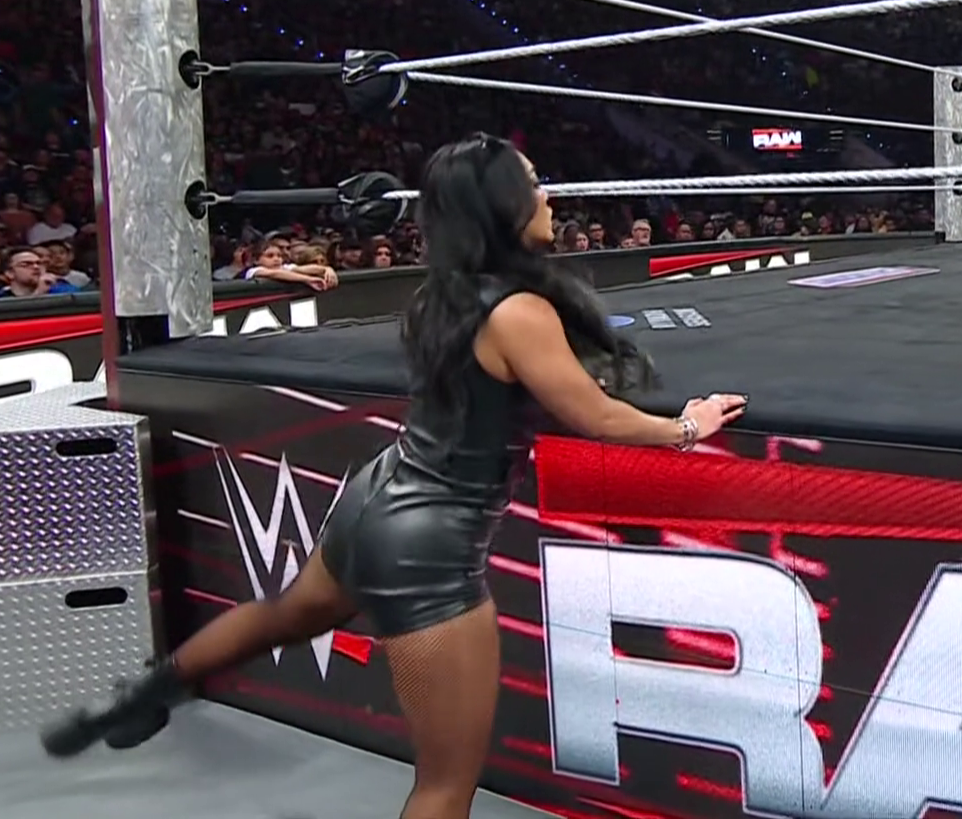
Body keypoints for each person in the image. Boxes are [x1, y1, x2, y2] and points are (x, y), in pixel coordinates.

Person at [40, 133, 747, 819]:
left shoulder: (439, 295)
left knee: (288, 615)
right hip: (430, 544)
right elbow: (598, 417)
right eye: (533, 185)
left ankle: (149, 691)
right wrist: (688, 425)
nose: (548, 196)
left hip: (375, 499)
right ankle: (152, 692)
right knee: (445, 788)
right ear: (502, 206)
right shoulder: (518, 312)